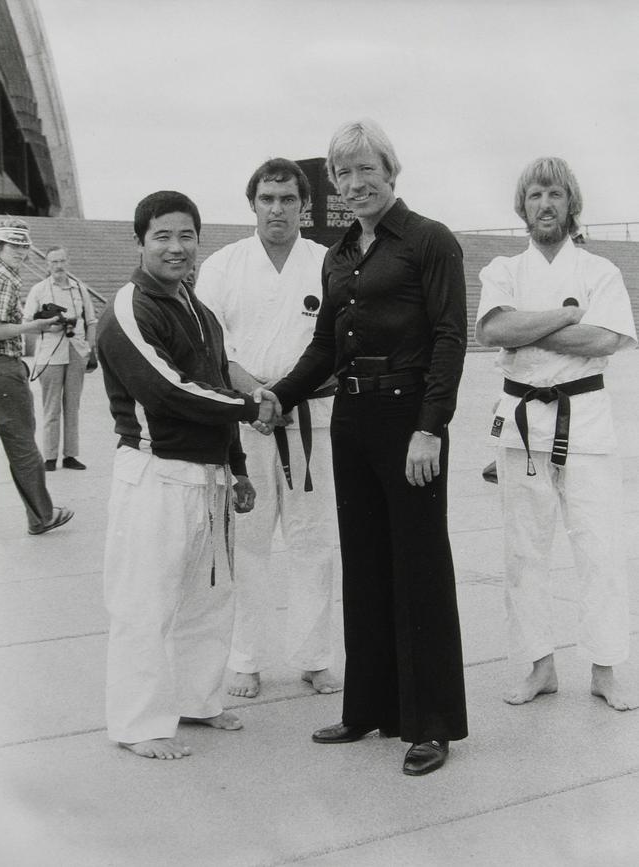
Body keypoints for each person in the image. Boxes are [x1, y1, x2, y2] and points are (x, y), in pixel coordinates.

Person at [263, 120, 469, 776]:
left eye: (364, 170)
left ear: (391, 170)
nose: (353, 184)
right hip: (352, 420)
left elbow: (448, 338)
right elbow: (324, 343)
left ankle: (430, 722)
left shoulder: (430, 241)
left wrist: (430, 427)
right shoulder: (339, 252)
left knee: (420, 570)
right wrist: (280, 397)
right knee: (365, 564)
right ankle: (369, 707)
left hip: (409, 419)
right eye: (342, 173)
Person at [97, 191, 279, 760]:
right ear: (141, 242)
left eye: (186, 236)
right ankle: (138, 723)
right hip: (155, 473)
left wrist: (239, 467)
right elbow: (168, 391)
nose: (177, 248)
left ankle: (197, 700)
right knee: (145, 602)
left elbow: (214, 382)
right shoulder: (130, 308)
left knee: (210, 597)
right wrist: (251, 407)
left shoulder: (199, 310)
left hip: (209, 476)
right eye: (163, 236)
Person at [476, 156, 638, 711]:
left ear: (571, 205)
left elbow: (607, 340)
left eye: (555, 195)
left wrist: (531, 330)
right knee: (524, 552)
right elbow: (495, 327)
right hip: (521, 425)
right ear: (522, 206)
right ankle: (539, 666)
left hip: (586, 421)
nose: (545, 204)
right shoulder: (502, 269)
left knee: (600, 547)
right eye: (535, 195)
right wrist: (568, 317)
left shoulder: (600, 272)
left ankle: (605, 667)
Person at [196, 158, 340, 699]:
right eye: (267, 199)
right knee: (248, 540)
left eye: (287, 199)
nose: (277, 209)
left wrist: (287, 394)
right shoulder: (223, 265)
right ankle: (245, 658)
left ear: (305, 206)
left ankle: (314, 656)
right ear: (252, 204)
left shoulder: (329, 261)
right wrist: (257, 395)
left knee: (315, 539)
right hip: (246, 419)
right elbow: (213, 344)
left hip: (313, 419)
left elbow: (338, 340)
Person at [0, 219, 73, 535]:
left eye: (25, 245)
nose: (22, 252)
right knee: (23, 447)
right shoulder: (3, 278)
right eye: (14, 245)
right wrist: (34, 327)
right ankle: (42, 516)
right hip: (1, 371)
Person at [24, 247, 97, 471]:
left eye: (62, 260)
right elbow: (27, 324)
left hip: (76, 349)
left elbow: (91, 320)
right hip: (50, 353)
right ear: (47, 264)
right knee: (51, 407)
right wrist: (50, 325)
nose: (59, 265)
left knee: (72, 406)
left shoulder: (79, 288)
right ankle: (49, 456)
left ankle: (70, 455)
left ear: (68, 262)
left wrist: (90, 349)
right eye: (54, 262)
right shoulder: (39, 290)